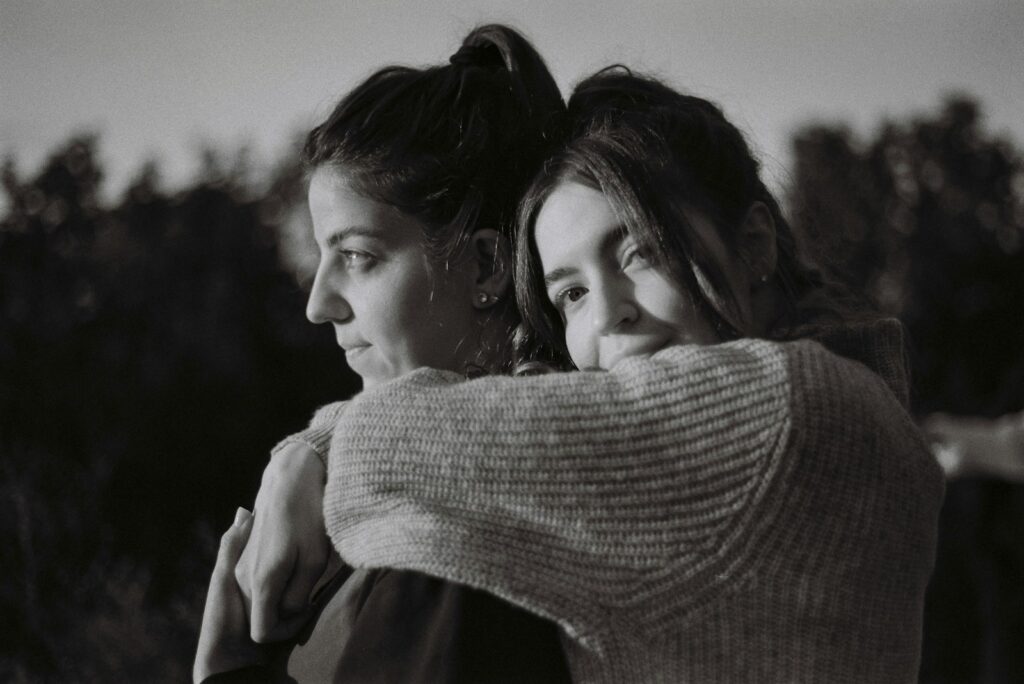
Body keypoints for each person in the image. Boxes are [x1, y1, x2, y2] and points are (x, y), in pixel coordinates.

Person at [245, 68, 946, 682]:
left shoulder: (797, 409)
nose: (608, 315)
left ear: (754, 243)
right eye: (570, 293)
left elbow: (407, 446)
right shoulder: (845, 399)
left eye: (639, 251)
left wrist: (309, 456)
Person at [194, 25, 572, 683]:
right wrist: (307, 455)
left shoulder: (455, 538)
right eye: (322, 257)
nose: (318, 304)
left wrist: (228, 672)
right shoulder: (370, 506)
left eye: (358, 257)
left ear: (486, 264)